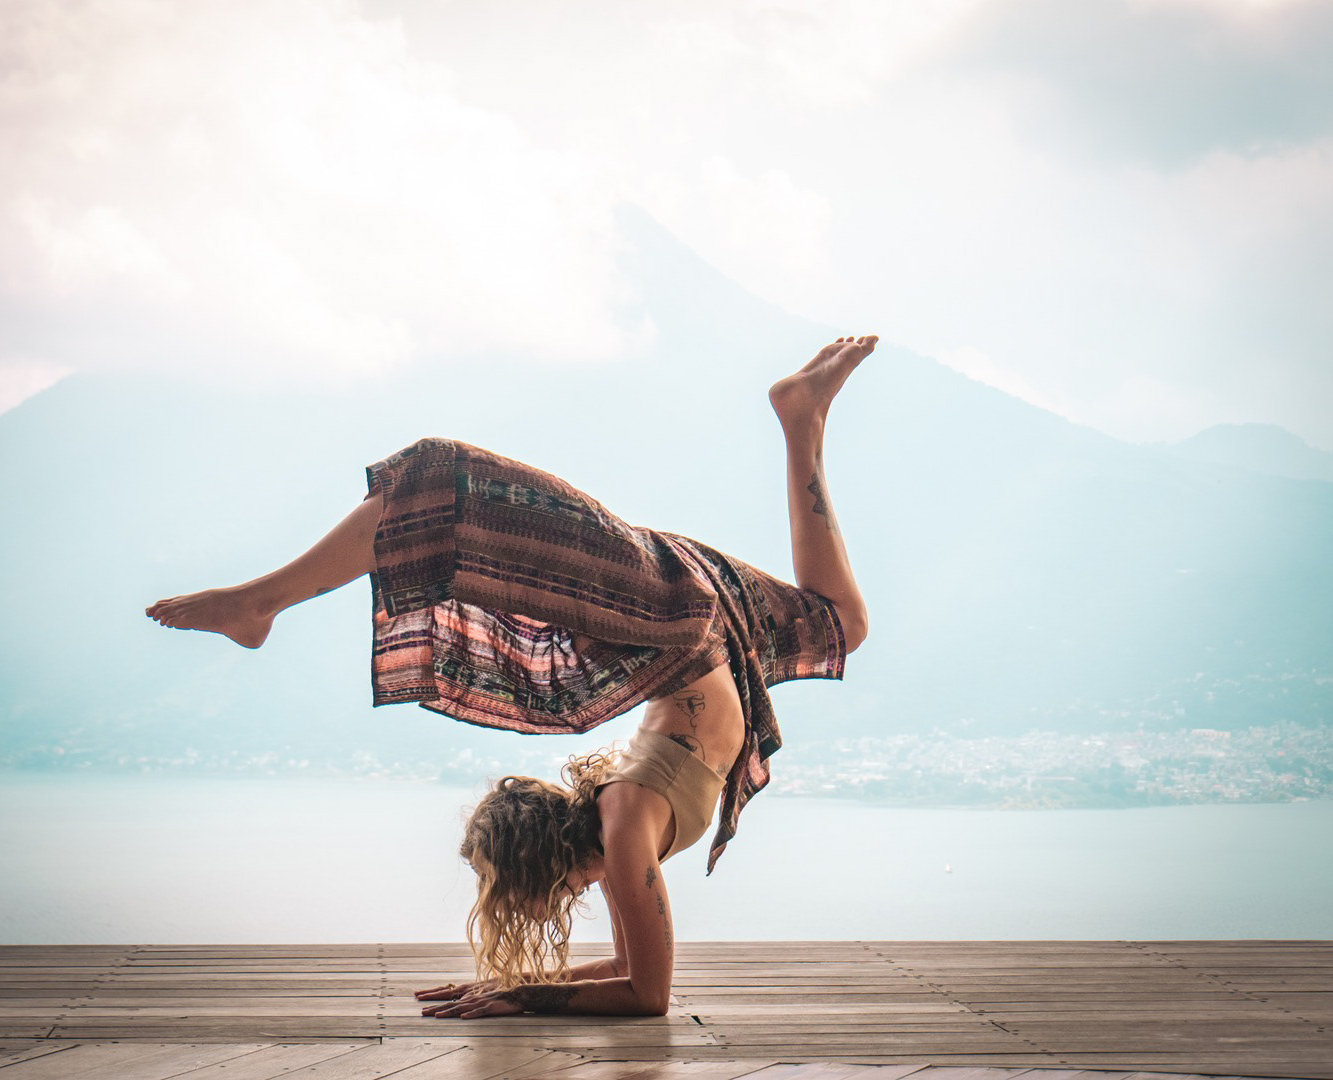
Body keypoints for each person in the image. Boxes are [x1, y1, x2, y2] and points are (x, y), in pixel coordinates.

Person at [146, 334, 876, 1018]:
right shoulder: (617, 836)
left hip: (665, 624)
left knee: (441, 480)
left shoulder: (624, 828)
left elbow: (647, 994)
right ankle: (801, 421)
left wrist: (522, 998)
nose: (495, 896)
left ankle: (260, 601)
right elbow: (633, 974)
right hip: (687, 629)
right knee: (840, 623)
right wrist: (508, 987)